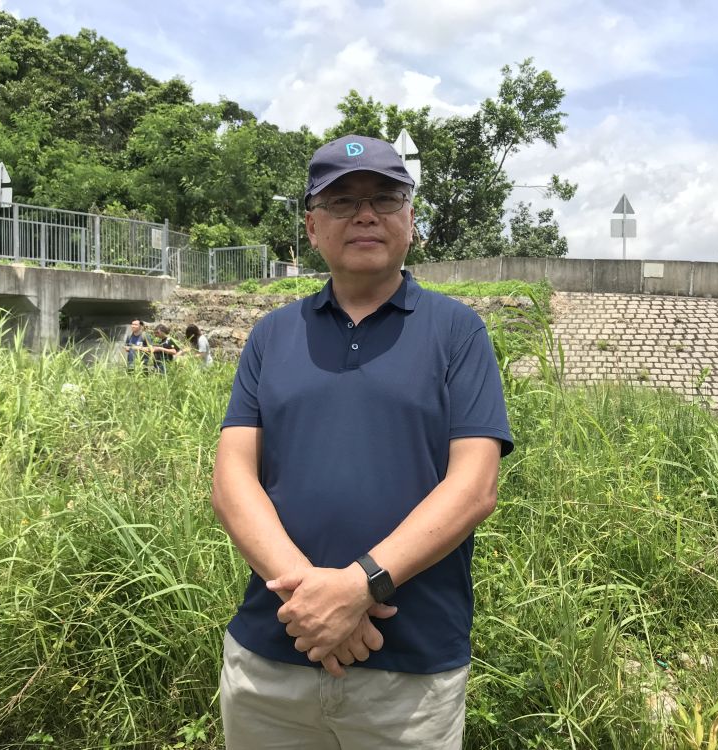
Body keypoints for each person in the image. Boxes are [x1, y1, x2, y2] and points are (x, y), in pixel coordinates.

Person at [212, 134, 514, 750]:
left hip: (410, 675)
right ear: (312, 227)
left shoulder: (458, 333)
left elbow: (475, 485)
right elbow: (231, 481)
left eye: (385, 197)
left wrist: (359, 586)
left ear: (410, 219)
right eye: (343, 202)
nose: (366, 214)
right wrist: (312, 600)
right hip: (272, 660)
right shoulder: (272, 335)